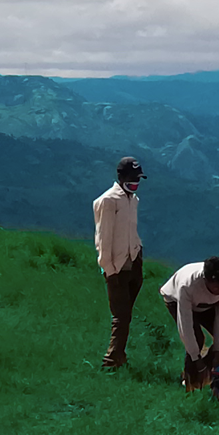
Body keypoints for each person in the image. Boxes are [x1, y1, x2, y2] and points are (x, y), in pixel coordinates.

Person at [93, 156, 146, 368]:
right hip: (117, 266)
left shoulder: (133, 200)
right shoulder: (107, 201)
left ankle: (120, 356)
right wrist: (110, 270)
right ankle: (110, 361)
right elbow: (103, 239)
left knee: (126, 315)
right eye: (132, 178)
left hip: (134, 262)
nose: (136, 182)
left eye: (138, 178)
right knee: (121, 316)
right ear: (121, 176)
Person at [161, 256, 219, 390]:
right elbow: (185, 326)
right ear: (206, 280)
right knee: (196, 338)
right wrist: (196, 359)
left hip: (207, 306)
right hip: (177, 300)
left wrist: (218, 352)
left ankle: (204, 375)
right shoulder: (187, 285)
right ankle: (190, 382)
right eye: (216, 288)